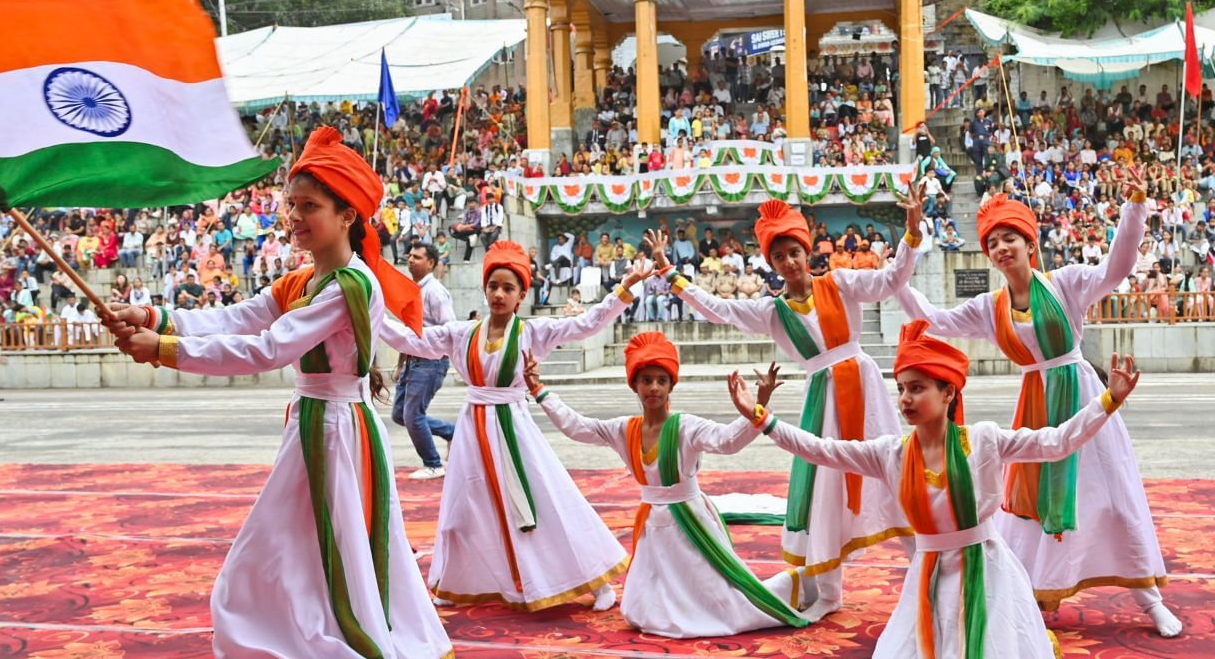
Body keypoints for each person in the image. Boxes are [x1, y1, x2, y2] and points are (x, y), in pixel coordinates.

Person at [102, 127, 453, 658]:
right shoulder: (307, 279)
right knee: (308, 548)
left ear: (348, 215)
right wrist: (154, 316)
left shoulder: (350, 286)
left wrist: (163, 349)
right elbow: (239, 316)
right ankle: (309, 637)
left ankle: (328, 639)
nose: (293, 218)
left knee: (299, 548)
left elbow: (267, 348)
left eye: (308, 206)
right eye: (290, 205)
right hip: (315, 426)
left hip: (336, 433)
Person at [729, 322, 1144, 658]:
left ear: (948, 393)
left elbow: (1057, 442)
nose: (905, 399)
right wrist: (761, 418)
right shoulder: (890, 453)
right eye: (901, 389)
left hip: (987, 570)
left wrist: (1108, 400)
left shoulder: (982, 440)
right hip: (926, 575)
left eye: (917, 388)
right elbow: (820, 449)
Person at [896, 185, 1181, 637]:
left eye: (1009, 238)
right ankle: (1030, 594)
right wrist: (908, 246)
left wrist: (1135, 207)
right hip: (1034, 404)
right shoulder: (990, 309)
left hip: (1086, 397)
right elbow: (933, 317)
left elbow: (1117, 267)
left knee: (1113, 497)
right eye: (991, 242)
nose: (1000, 248)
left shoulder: (1064, 283)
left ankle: (1150, 599)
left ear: (1031, 244)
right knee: (1028, 508)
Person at [642, 181, 926, 620]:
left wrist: (911, 231)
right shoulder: (773, 312)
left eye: (794, 252)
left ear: (806, 251)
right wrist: (670, 273)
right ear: (770, 263)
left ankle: (926, 572)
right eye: (779, 256)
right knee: (823, 488)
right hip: (822, 399)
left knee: (893, 472)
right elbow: (719, 308)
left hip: (865, 392)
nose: (789, 262)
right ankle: (829, 594)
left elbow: (892, 279)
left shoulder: (841, 283)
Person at [376, 240, 649, 612]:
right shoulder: (462, 333)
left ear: (521, 295)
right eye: (493, 286)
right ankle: (454, 582)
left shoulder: (532, 332)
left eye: (508, 288)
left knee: (547, 502)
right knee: (464, 507)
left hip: (515, 431)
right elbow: (413, 339)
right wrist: (370, 312)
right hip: (473, 430)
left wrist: (623, 289)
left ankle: (596, 579)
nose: (499, 294)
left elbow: (585, 324)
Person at [525, 334, 811, 638]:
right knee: (640, 608)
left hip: (691, 524)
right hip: (651, 524)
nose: (654, 388)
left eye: (662, 380)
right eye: (646, 380)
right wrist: (540, 391)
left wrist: (758, 406)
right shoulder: (624, 429)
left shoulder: (686, 426)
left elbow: (728, 441)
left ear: (671, 385)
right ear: (634, 384)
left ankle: (793, 586)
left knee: (719, 599)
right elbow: (577, 427)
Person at [392, 241, 456, 480]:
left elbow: (450, 328)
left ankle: (433, 463)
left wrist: (443, 357)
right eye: (410, 255)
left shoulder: (435, 291)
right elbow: (410, 329)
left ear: (431, 263)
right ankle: (452, 432)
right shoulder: (412, 290)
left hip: (430, 361)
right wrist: (401, 364)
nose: (411, 260)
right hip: (412, 361)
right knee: (400, 414)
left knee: (412, 415)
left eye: (417, 257)